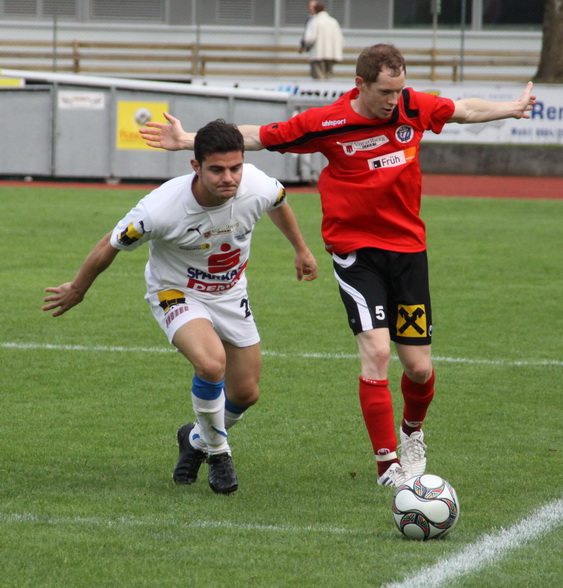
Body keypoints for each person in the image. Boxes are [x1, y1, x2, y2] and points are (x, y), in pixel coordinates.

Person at [139, 44, 536, 488]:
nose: (393, 100)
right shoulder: (328, 123)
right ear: (360, 84)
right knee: (377, 352)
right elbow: (259, 136)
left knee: (419, 369)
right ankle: (388, 468)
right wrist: (188, 139)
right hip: (356, 253)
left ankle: (412, 434)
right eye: (385, 91)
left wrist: (511, 107)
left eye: (399, 90)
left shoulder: (412, 107)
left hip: (409, 253)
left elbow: (463, 109)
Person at [42, 120, 318, 495]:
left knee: (246, 393)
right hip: (176, 291)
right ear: (195, 166)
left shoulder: (257, 186)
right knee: (211, 364)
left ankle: (195, 439)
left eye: (235, 167)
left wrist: (301, 249)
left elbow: (279, 202)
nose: (229, 178)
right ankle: (219, 453)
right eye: (217, 170)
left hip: (230, 292)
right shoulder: (160, 210)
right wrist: (78, 288)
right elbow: (111, 243)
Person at [298, 1, 343, 80]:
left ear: (315, 10)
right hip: (331, 55)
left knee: (318, 78)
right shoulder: (333, 21)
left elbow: (310, 38)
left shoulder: (315, 21)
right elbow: (340, 39)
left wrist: (304, 46)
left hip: (318, 54)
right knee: (328, 78)